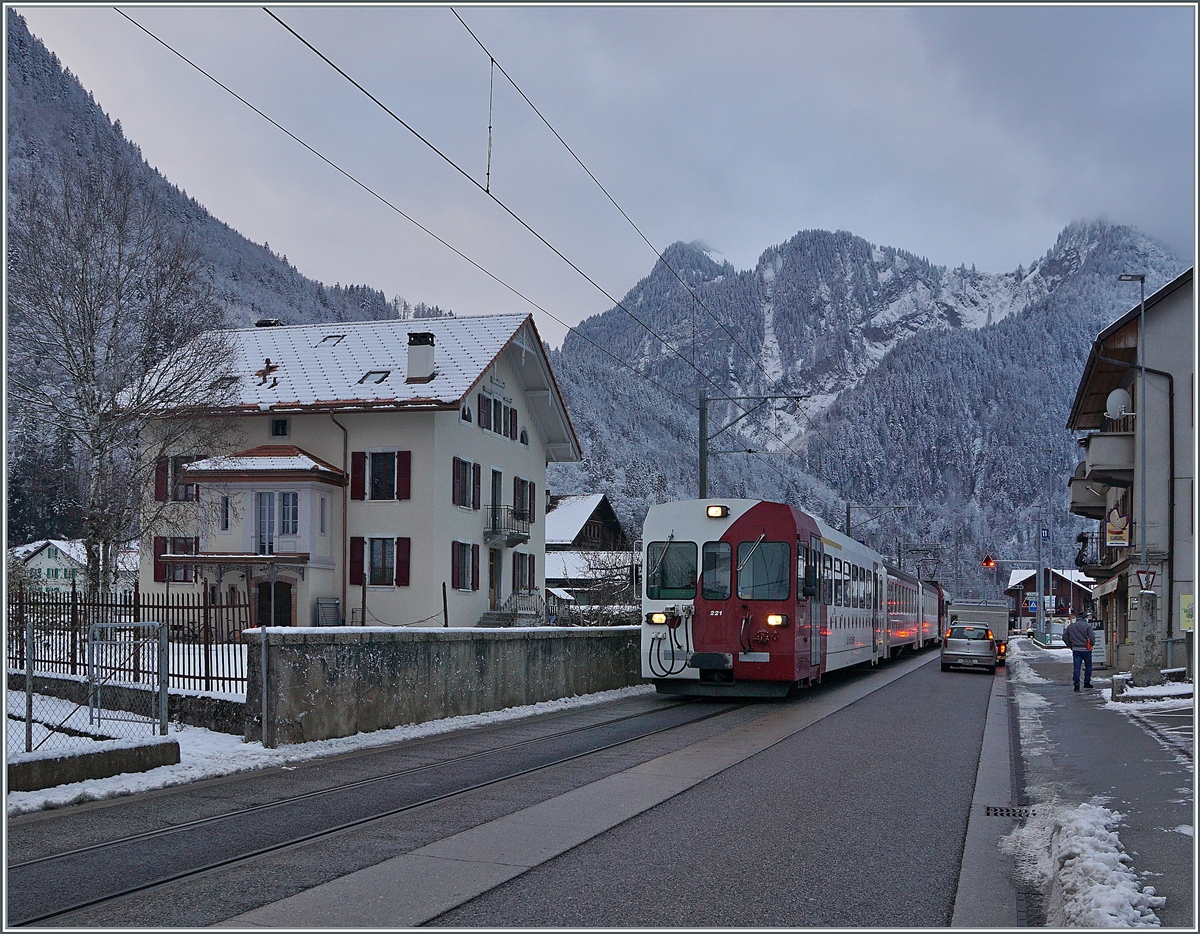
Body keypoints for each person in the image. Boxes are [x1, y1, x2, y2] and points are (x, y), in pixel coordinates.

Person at [1063, 614, 1094, 691]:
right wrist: (1091, 644)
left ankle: (1076, 684)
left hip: (1076, 649)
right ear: (1084, 618)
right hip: (1086, 650)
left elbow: (1064, 636)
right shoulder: (1087, 626)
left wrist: (1070, 645)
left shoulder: (1071, 626)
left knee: (1077, 667)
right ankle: (1087, 682)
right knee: (1088, 666)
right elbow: (1092, 637)